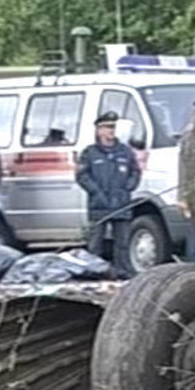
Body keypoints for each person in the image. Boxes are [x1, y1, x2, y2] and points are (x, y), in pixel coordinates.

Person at [75, 110, 141, 279]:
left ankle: (123, 272)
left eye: (113, 127)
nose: (110, 131)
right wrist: (95, 191)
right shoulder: (90, 153)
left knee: (122, 243)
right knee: (95, 242)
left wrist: (128, 187)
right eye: (106, 127)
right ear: (98, 130)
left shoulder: (125, 151)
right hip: (99, 204)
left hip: (121, 203)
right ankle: (94, 272)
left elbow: (135, 172)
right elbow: (82, 175)